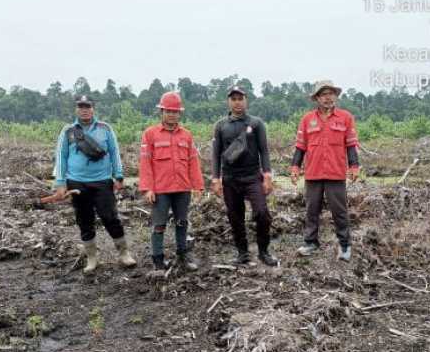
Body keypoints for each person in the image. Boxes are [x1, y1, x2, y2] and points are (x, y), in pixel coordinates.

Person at [53, 95, 136, 274]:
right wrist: (60, 182)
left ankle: (124, 253)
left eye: (87, 106)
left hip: (102, 181)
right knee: (84, 219)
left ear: (93, 108)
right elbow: (61, 157)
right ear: (76, 109)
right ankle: (92, 257)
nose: (84, 109)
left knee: (110, 217)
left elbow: (114, 153)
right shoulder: (68, 131)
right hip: (76, 182)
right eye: (81, 106)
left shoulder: (105, 129)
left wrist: (119, 175)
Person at [290, 80, 359, 262]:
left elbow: (351, 145)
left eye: (331, 93)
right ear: (317, 98)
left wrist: (354, 166)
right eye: (324, 94)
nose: (328, 98)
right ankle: (311, 242)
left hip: (336, 174)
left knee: (339, 211)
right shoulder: (307, 120)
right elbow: (300, 146)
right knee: (312, 209)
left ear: (335, 96)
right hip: (313, 173)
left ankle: (344, 245)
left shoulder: (345, 117)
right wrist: (295, 167)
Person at [211, 86, 278, 266]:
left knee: (262, 213)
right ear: (228, 102)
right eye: (233, 99)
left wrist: (267, 176)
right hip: (230, 179)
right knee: (235, 216)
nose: (237, 102)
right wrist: (216, 179)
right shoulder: (220, 126)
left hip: (252, 176)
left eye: (240, 98)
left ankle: (264, 251)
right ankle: (242, 253)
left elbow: (264, 151)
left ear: (246, 100)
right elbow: (216, 154)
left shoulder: (256, 124)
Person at [138, 92, 204, 271]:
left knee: (182, 222)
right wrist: (147, 188)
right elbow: (145, 163)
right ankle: (158, 261)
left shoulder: (187, 135)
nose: (172, 114)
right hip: (160, 189)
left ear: (179, 113)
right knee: (159, 225)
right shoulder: (150, 134)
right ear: (162, 111)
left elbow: (193, 162)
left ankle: (182, 256)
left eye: (175, 111)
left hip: (182, 188)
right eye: (168, 111)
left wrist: (197, 186)